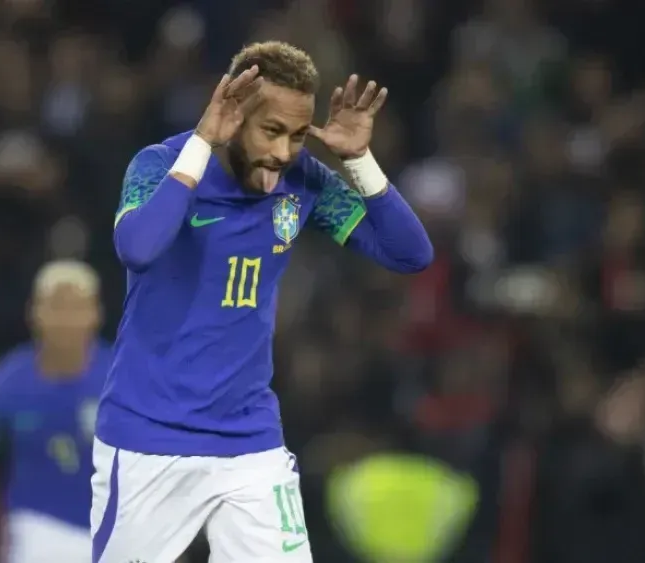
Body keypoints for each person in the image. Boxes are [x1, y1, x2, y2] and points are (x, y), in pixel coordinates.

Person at [92, 41, 434, 562]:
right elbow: (137, 248)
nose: (283, 152)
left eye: (297, 135)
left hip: (249, 442)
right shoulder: (160, 164)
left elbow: (410, 254)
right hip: (147, 436)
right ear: (233, 114)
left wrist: (358, 160)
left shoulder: (302, 181)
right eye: (271, 131)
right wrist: (203, 143)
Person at [0, 261, 113, 563]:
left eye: (77, 307)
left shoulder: (125, 381)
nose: (66, 319)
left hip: (115, 533)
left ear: (96, 314)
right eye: (56, 307)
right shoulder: (2, 385)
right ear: (34, 313)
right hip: (35, 532)